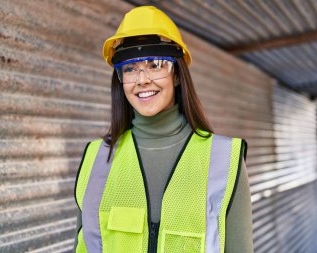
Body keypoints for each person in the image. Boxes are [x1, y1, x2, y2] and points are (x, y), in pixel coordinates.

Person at [74, 5, 253, 253]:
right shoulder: (96, 159)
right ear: (120, 79)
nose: (142, 79)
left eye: (155, 64)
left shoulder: (224, 159)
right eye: (130, 68)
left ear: (177, 75)